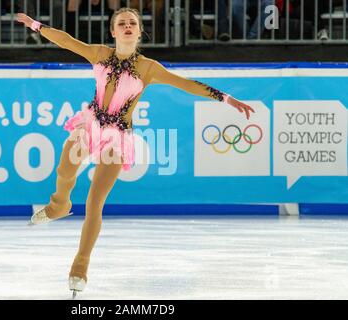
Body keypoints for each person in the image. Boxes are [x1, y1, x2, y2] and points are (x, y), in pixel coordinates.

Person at [17, 7, 254, 298]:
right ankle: (59, 205)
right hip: (90, 124)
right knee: (64, 172)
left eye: (133, 23)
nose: (128, 26)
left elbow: (186, 84)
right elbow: (66, 41)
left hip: (117, 137)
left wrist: (225, 98)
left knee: (95, 201)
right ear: (113, 32)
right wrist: (36, 25)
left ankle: (80, 264)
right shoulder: (100, 54)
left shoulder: (149, 68)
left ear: (140, 32)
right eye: (122, 23)